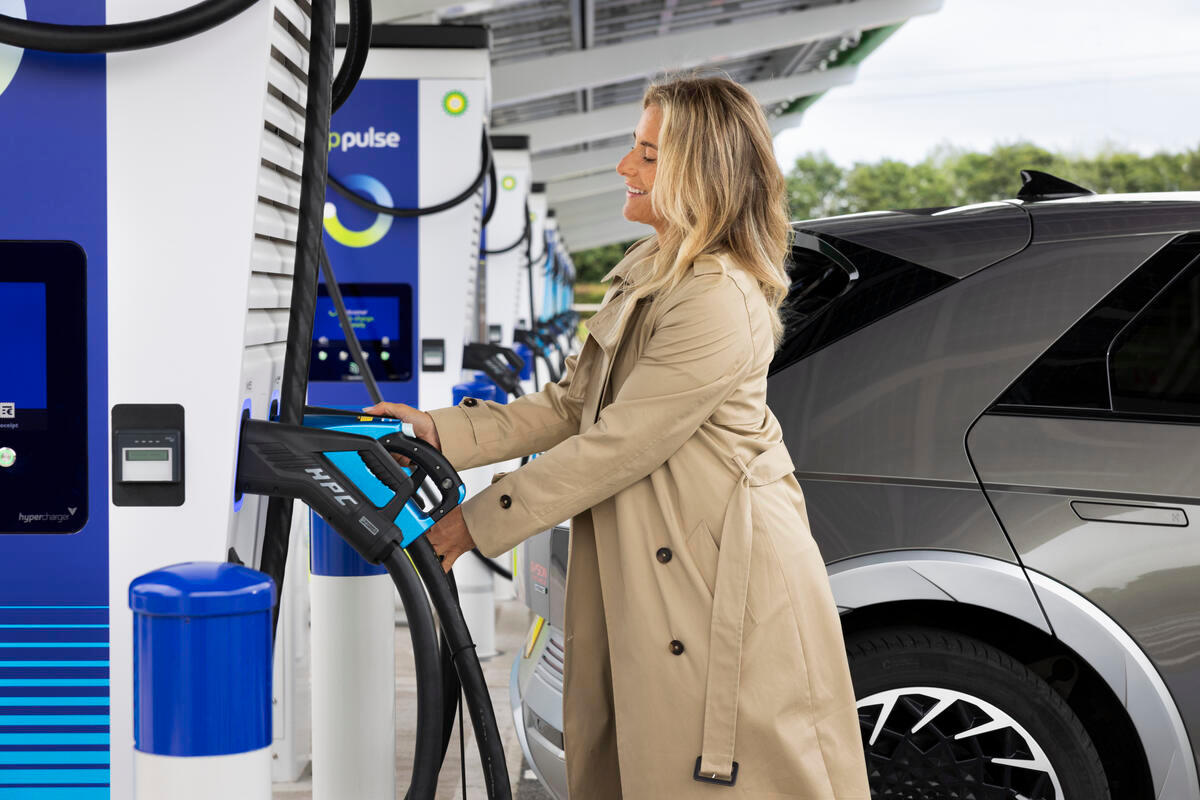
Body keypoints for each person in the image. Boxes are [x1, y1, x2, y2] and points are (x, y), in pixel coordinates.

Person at [365, 74, 871, 799]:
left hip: (717, 582)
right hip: (660, 566)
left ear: (701, 171)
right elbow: (576, 405)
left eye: (647, 154)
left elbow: (620, 443)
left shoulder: (717, 298)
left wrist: (473, 525)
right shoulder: (651, 271)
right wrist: (442, 431)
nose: (623, 168)